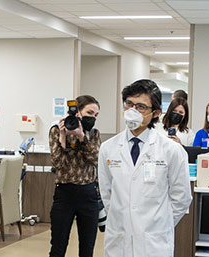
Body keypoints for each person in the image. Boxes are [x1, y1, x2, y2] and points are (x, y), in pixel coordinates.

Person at [98, 79, 192, 257]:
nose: (133, 111)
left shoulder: (171, 150)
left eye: (141, 107)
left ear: (155, 113)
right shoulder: (108, 148)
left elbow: (181, 198)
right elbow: (107, 193)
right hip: (119, 238)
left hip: (154, 242)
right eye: (129, 104)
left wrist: (159, 224)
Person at [48, 95, 101, 257]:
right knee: (58, 246)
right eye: (89, 112)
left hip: (88, 195)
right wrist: (63, 138)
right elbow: (58, 164)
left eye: (95, 115)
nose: (92, 118)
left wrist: (81, 136)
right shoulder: (56, 130)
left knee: (87, 248)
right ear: (77, 112)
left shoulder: (93, 133)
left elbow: (95, 159)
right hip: (65, 194)